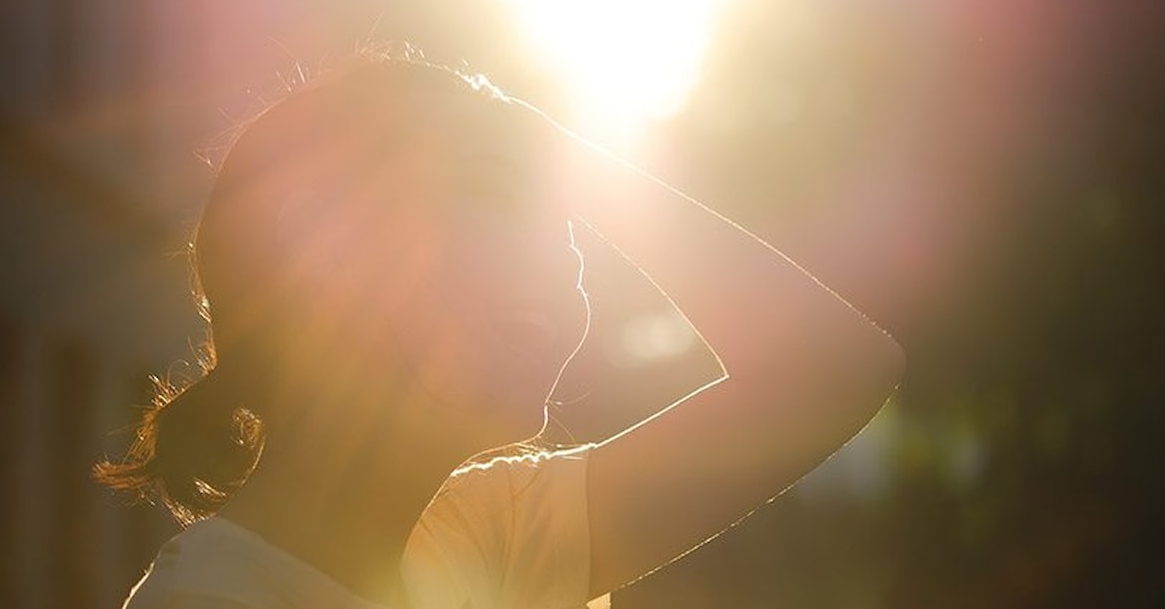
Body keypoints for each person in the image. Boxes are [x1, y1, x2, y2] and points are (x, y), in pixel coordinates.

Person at [97, 54, 905, 609]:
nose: (565, 266)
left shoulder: (486, 533)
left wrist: (559, 147)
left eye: (567, 224)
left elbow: (837, 368)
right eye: (498, 195)